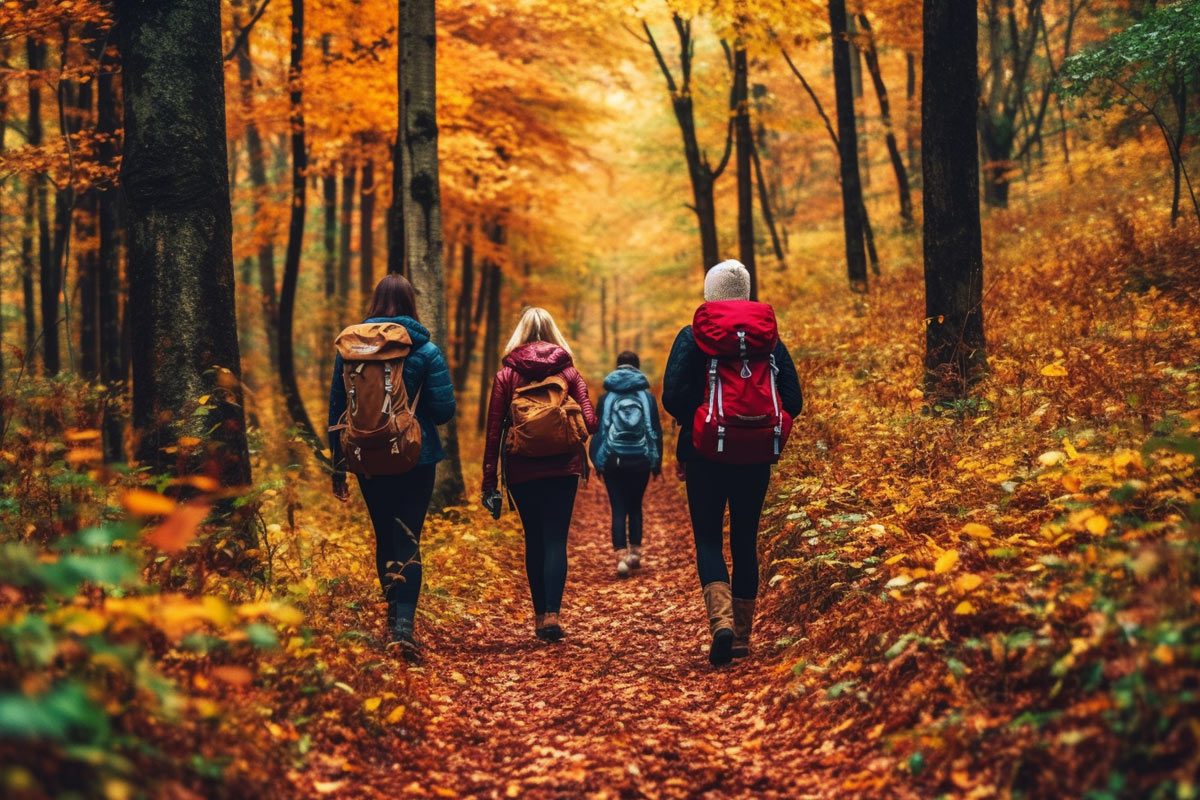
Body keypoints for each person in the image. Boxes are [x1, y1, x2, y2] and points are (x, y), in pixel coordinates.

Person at [662, 260, 802, 666]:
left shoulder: (693, 336)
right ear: (746, 291)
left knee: (708, 538)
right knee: (745, 539)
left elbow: (672, 396)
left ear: (710, 293)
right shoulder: (769, 340)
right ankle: (742, 636)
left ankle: (720, 623)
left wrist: (701, 419)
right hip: (755, 455)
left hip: (704, 452)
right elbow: (792, 399)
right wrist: (761, 426)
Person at [328, 274, 455, 659]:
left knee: (384, 535)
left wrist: (338, 465)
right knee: (408, 537)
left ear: (375, 302)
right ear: (411, 303)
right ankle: (404, 628)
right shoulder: (425, 350)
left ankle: (389, 618)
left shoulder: (350, 349)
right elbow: (444, 411)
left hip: (366, 457)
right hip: (417, 456)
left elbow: (337, 409)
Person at [481, 307, 598, 641]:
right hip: (564, 466)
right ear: (553, 332)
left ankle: (538, 616)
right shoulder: (569, 373)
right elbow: (590, 423)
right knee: (556, 538)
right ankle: (553, 615)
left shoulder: (506, 375)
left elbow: (493, 432)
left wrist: (490, 481)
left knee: (534, 539)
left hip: (521, 467)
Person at [589, 351, 662, 578]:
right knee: (635, 506)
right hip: (640, 458)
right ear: (638, 368)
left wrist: (598, 462)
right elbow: (655, 432)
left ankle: (620, 559)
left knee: (618, 508)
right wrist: (656, 463)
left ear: (617, 367)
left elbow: (599, 433)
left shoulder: (605, 399)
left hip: (612, 460)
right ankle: (635, 554)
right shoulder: (647, 398)